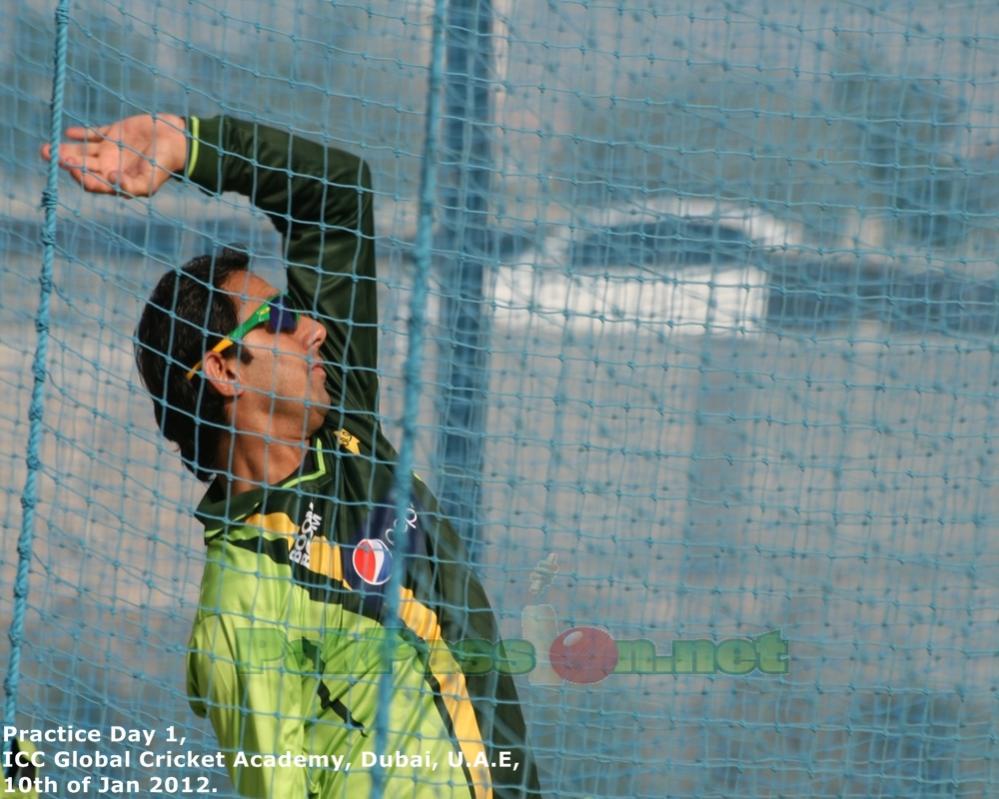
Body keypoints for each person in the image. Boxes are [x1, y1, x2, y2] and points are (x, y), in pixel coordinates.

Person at [43, 114, 542, 799]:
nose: (311, 328)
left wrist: (189, 145)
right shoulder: (241, 607)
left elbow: (335, 193)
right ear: (223, 371)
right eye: (277, 318)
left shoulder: (344, 426)